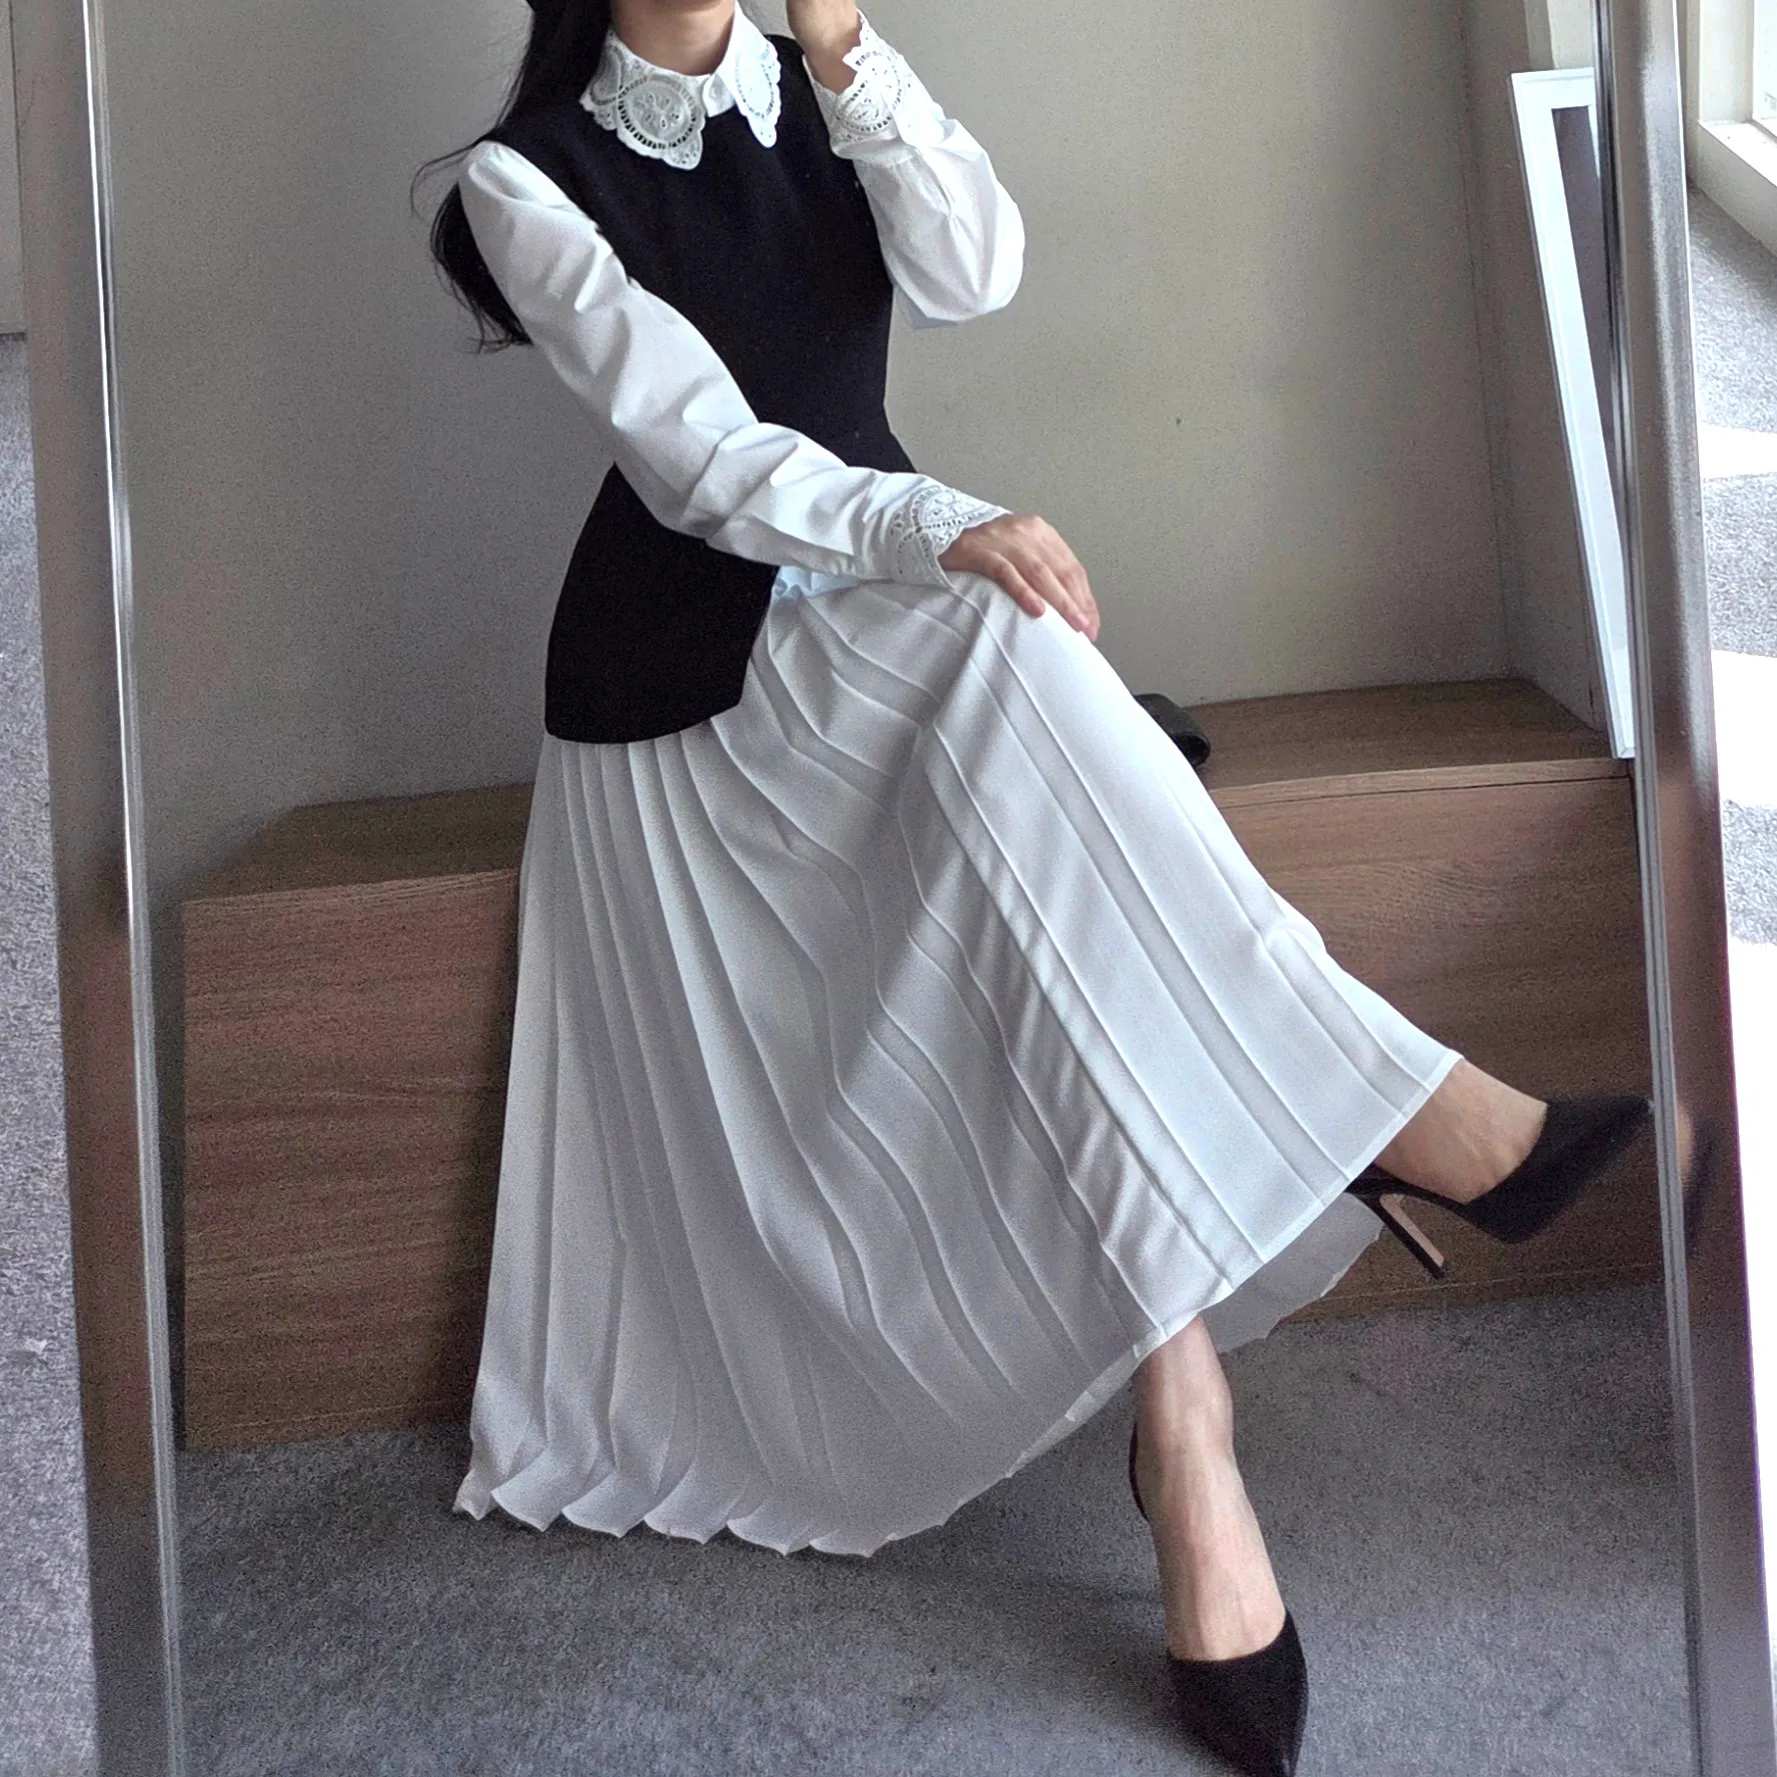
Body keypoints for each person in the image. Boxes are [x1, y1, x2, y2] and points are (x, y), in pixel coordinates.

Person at [420, 4, 1649, 1771]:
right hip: (688, 689)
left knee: (1019, 727)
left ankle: (1188, 1416)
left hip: (880, 613)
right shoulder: (524, 180)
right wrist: (934, 526)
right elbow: (694, 458)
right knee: (1012, 659)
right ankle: (1392, 1117)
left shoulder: (823, 87)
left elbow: (975, 266)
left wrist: (847, 49)